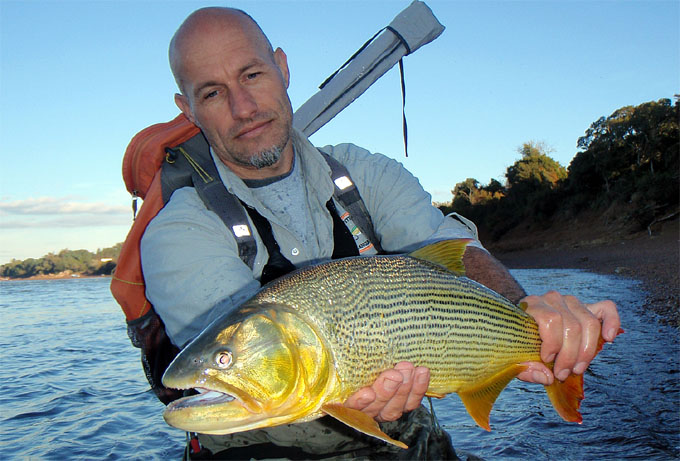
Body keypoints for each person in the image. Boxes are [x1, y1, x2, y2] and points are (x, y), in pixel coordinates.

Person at [140, 7, 621, 460]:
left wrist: (531, 317)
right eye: (212, 92)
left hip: (396, 425)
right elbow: (259, 364)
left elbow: (451, 251)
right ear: (188, 109)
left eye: (251, 75)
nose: (243, 107)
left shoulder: (366, 173)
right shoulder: (176, 234)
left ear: (282, 68)